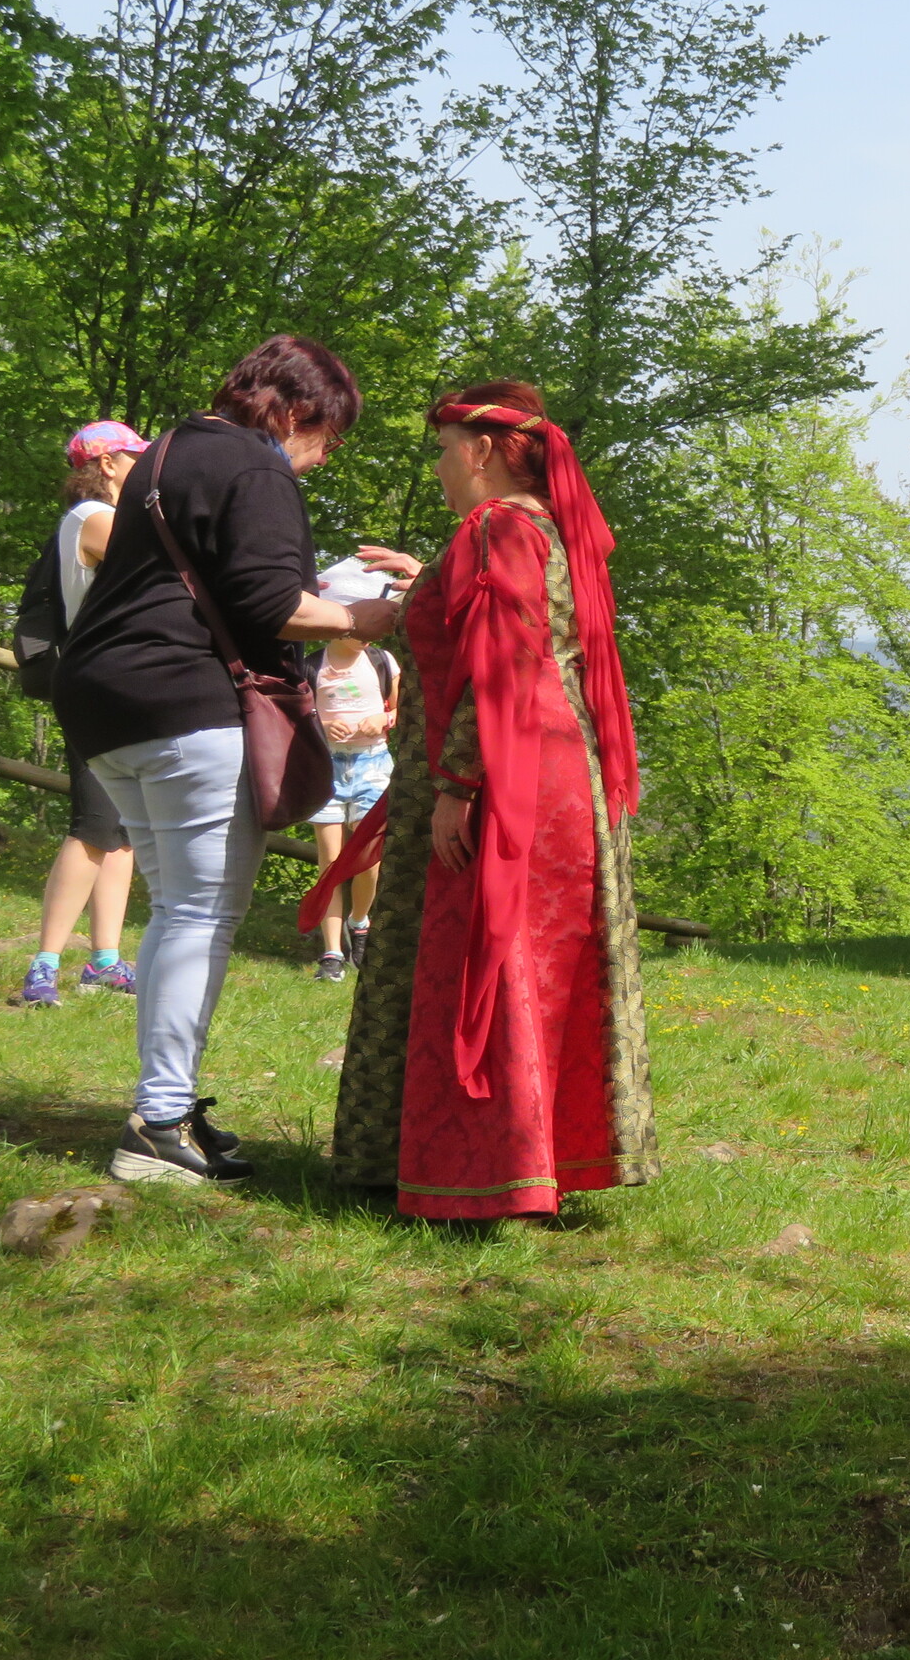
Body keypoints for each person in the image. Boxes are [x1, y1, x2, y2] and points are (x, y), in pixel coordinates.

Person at [54, 335, 400, 1187]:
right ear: (296, 411)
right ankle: (159, 1123)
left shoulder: (170, 447)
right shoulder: (256, 466)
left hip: (103, 699)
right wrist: (369, 619)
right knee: (199, 913)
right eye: (329, 436)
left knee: (176, 908)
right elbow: (273, 603)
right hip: (185, 699)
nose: (325, 456)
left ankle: (165, 1109)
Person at [314, 380, 655, 1220]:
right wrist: (429, 580)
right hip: (558, 768)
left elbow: (503, 666)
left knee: (484, 955)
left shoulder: (498, 526)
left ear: (484, 450)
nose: (438, 467)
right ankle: (541, 1159)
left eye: (443, 450)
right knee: (541, 957)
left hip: (502, 774)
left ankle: (480, 1174)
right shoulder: (545, 527)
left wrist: (458, 785)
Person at [17, 420, 151, 1007]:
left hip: (122, 686)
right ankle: (44, 965)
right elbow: (163, 563)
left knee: (121, 832)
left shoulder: (103, 517)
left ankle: (104, 961)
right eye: (135, 457)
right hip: (98, 686)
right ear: (108, 464)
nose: (143, 466)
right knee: (94, 825)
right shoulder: (94, 518)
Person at [306, 561, 399, 983]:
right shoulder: (312, 665)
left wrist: (383, 719)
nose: (367, 633)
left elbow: (400, 709)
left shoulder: (382, 662)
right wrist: (323, 726)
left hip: (372, 765)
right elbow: (298, 717)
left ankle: (360, 921)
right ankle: (331, 952)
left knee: (367, 857)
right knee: (329, 861)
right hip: (326, 767)